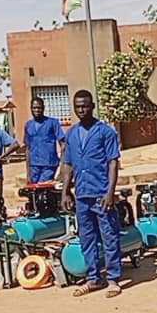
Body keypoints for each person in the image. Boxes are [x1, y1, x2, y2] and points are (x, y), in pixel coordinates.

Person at [61, 90, 123, 298]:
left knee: (109, 236)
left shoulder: (105, 132)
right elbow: (67, 164)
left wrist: (110, 192)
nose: (81, 110)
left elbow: (113, 162)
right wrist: (65, 192)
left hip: (101, 193)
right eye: (78, 106)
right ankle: (94, 278)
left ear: (93, 106)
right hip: (82, 195)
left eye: (85, 106)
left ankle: (114, 279)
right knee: (86, 238)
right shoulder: (71, 134)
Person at [23, 97, 66, 184]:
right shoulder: (28, 125)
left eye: (39, 108)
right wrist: (28, 172)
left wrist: (62, 167)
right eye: (34, 108)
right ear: (31, 108)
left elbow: (63, 144)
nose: (37, 110)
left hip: (49, 165)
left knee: (44, 190)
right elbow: (27, 149)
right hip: (34, 166)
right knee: (34, 194)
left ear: (43, 108)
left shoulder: (53, 123)